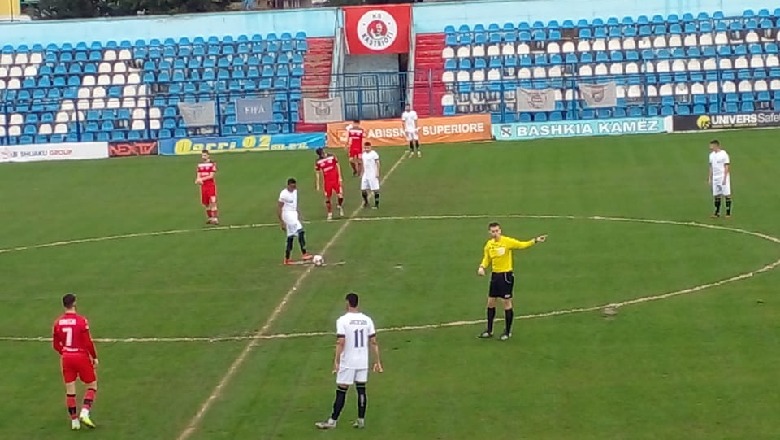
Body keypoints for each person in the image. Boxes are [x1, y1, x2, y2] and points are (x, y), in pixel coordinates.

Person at [315, 293, 383, 430]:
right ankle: (361, 420)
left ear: (347, 303)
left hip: (349, 361)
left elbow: (341, 341)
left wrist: (336, 361)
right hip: (363, 361)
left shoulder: (343, 320)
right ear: (358, 303)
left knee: (342, 390)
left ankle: (332, 421)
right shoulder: (367, 320)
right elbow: (374, 342)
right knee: (361, 390)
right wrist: (377, 362)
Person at [477, 222, 547, 341]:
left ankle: (508, 331)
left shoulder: (507, 242)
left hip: (505, 276)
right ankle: (489, 330)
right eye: (493, 231)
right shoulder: (489, 245)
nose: (495, 233)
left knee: (506, 303)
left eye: (497, 231)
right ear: (489, 232)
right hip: (495, 276)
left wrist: (535, 240)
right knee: (490, 302)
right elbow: (486, 258)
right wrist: (482, 267)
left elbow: (521, 245)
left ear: (500, 231)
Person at [52, 293, 99, 430]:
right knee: (92, 385)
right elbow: (88, 342)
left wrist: (65, 352)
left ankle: (74, 422)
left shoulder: (58, 322)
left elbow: (56, 345)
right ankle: (84, 412)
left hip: (66, 357)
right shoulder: (81, 321)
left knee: (70, 390)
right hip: (81, 356)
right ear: (74, 303)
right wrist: (94, 356)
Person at [278, 178, 313, 265]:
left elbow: (294, 204)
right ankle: (304, 253)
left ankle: (287, 258)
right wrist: (281, 222)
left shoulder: (295, 191)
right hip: (287, 215)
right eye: (292, 186)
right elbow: (279, 207)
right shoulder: (283, 194)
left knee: (290, 237)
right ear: (288, 185)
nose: (294, 187)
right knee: (300, 231)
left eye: (295, 186)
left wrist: (299, 214)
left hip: (293, 214)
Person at [314, 148, 345, 221]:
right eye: (320, 154)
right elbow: (317, 173)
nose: (322, 155)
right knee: (328, 198)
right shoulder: (318, 161)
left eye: (322, 153)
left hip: (335, 180)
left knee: (340, 196)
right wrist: (317, 184)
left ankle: (339, 206)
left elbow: (337, 165)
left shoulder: (331, 156)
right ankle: (329, 213)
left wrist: (340, 176)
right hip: (327, 182)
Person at [708, 139, 732, 218]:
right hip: (715, 177)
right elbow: (711, 167)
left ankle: (728, 213)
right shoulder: (711, 155)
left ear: (716, 145)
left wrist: (725, 178)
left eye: (711, 145)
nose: (710, 147)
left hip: (722, 176)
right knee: (716, 195)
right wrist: (710, 178)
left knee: (726, 194)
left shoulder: (724, 154)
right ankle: (716, 212)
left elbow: (726, 166)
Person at [195, 150, 219, 225]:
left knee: (213, 201)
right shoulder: (200, 165)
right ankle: (210, 218)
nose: (203, 157)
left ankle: (215, 218)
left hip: (210, 186)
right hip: (203, 186)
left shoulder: (212, 164)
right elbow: (198, 174)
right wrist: (197, 180)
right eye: (202, 155)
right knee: (206, 203)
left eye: (205, 155)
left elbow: (211, 176)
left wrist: (201, 179)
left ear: (208, 155)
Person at [360, 142, 381, 209]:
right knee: (363, 189)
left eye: (368, 148)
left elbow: (377, 163)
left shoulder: (374, 154)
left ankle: (376, 204)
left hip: (372, 174)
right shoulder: (363, 155)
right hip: (366, 174)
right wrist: (362, 172)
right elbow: (364, 164)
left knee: (375, 189)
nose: (366, 149)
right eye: (365, 148)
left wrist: (377, 172)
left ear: (370, 147)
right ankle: (366, 202)